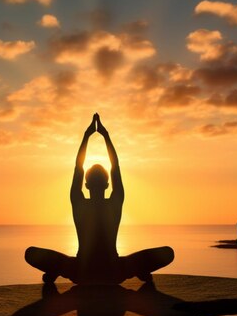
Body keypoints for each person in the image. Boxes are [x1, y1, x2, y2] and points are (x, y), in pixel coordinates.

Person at [25, 113, 174, 284]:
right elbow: (115, 167)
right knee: (167, 252)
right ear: (107, 185)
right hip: (114, 272)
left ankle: (56, 270)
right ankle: (138, 270)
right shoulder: (114, 203)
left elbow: (78, 167)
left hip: (81, 272)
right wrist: (105, 136)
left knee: (31, 253)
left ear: (86, 185)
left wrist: (87, 136)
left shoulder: (79, 203)